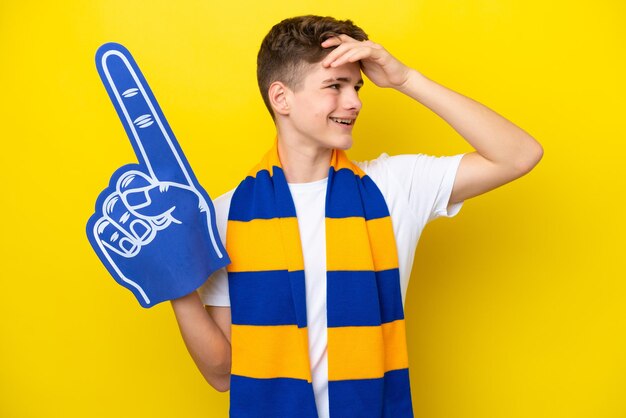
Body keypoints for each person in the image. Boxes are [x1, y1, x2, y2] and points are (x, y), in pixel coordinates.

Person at [170, 15, 543, 417]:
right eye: (335, 86)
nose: (354, 102)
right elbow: (223, 373)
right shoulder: (226, 216)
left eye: (357, 87)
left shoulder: (393, 188)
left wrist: (405, 79)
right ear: (281, 98)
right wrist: (174, 279)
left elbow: (518, 155)